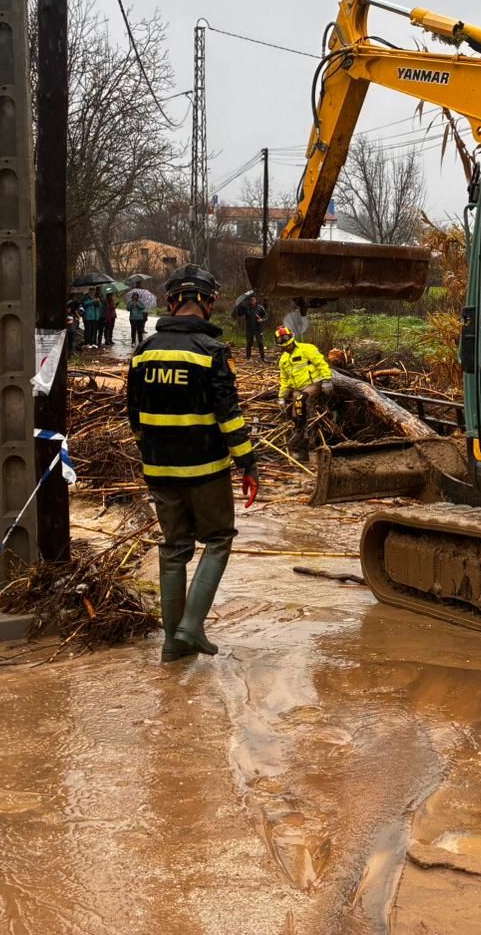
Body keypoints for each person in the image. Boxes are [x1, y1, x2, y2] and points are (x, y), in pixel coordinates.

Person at [127, 265, 259, 662]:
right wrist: (247, 464)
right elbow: (229, 416)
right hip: (204, 469)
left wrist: (151, 455)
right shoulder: (212, 352)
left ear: (171, 302)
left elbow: (134, 416)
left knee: (174, 548)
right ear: (208, 302)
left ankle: (173, 645)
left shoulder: (143, 351)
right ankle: (191, 625)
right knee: (218, 539)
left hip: (158, 469)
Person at [275, 325, 334, 450]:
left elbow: (321, 363)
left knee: (302, 399)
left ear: (292, 338)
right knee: (295, 407)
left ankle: (310, 433)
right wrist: (281, 397)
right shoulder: (283, 359)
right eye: (282, 343)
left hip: (314, 384)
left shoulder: (307, 349)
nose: (286, 345)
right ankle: (298, 431)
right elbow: (284, 380)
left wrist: (327, 380)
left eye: (286, 341)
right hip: (298, 388)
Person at [232, 293, 269, 361]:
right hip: (249, 329)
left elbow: (266, 316)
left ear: (255, 300)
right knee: (249, 343)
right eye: (250, 300)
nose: (251, 301)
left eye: (253, 300)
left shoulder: (260, 308)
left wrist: (261, 320)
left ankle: (263, 357)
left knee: (260, 343)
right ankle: (248, 357)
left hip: (258, 329)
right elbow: (239, 314)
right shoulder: (247, 308)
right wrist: (240, 306)